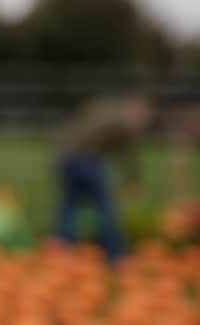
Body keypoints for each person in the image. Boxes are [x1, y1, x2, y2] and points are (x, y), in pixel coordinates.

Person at [52, 93, 152, 261]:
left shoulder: (104, 109)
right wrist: (133, 181)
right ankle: (115, 252)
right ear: (133, 108)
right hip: (86, 159)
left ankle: (62, 248)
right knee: (105, 207)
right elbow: (128, 155)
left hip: (65, 155)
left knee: (68, 207)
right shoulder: (122, 123)